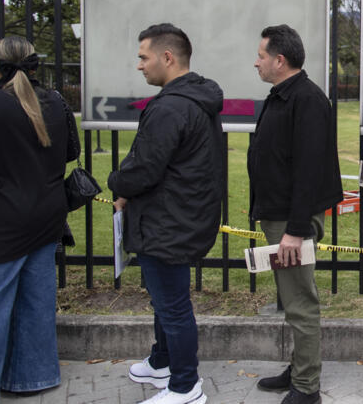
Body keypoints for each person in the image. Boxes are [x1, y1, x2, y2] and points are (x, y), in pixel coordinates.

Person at [108, 23, 224, 404]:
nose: (140, 65)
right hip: (180, 215)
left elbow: (145, 167)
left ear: (167, 57)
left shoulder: (171, 107)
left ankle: (185, 386)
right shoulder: (194, 100)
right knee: (164, 299)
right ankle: (162, 361)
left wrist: (117, 183)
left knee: (173, 306)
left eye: (144, 57)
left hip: (169, 221)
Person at [249, 24, 343, 404]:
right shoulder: (283, 96)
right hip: (281, 216)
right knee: (291, 298)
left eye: (261, 55)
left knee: (300, 302)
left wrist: (295, 230)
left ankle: (307, 387)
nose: (256, 62)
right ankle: (299, 368)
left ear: (279, 59)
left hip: (292, 221)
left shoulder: (307, 100)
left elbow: (309, 170)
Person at [0, 36, 78, 403]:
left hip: (4, 219)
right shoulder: (56, 102)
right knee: (37, 300)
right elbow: (71, 152)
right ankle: (35, 376)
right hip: (48, 215)